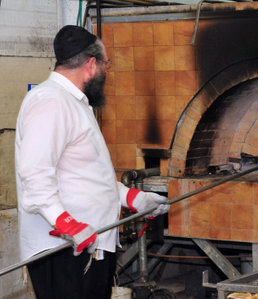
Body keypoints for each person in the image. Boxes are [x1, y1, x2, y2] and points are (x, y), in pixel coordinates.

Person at [14, 25, 169, 299]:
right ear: (90, 64)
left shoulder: (75, 103)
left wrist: (134, 198)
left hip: (87, 244)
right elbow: (34, 174)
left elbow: (88, 175)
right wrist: (67, 223)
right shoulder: (50, 102)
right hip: (63, 249)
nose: (107, 71)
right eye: (106, 63)